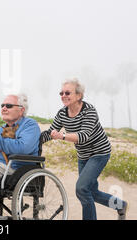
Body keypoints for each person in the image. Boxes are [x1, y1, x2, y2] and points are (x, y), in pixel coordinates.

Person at [42, 78, 128, 220]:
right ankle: (120, 205)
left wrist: (62, 136)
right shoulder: (62, 113)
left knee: (81, 189)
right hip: (83, 156)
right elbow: (50, 133)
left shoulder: (89, 111)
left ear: (79, 95)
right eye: (61, 93)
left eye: (68, 92)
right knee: (91, 192)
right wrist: (32, 140)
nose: (63, 95)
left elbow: (84, 136)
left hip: (100, 153)